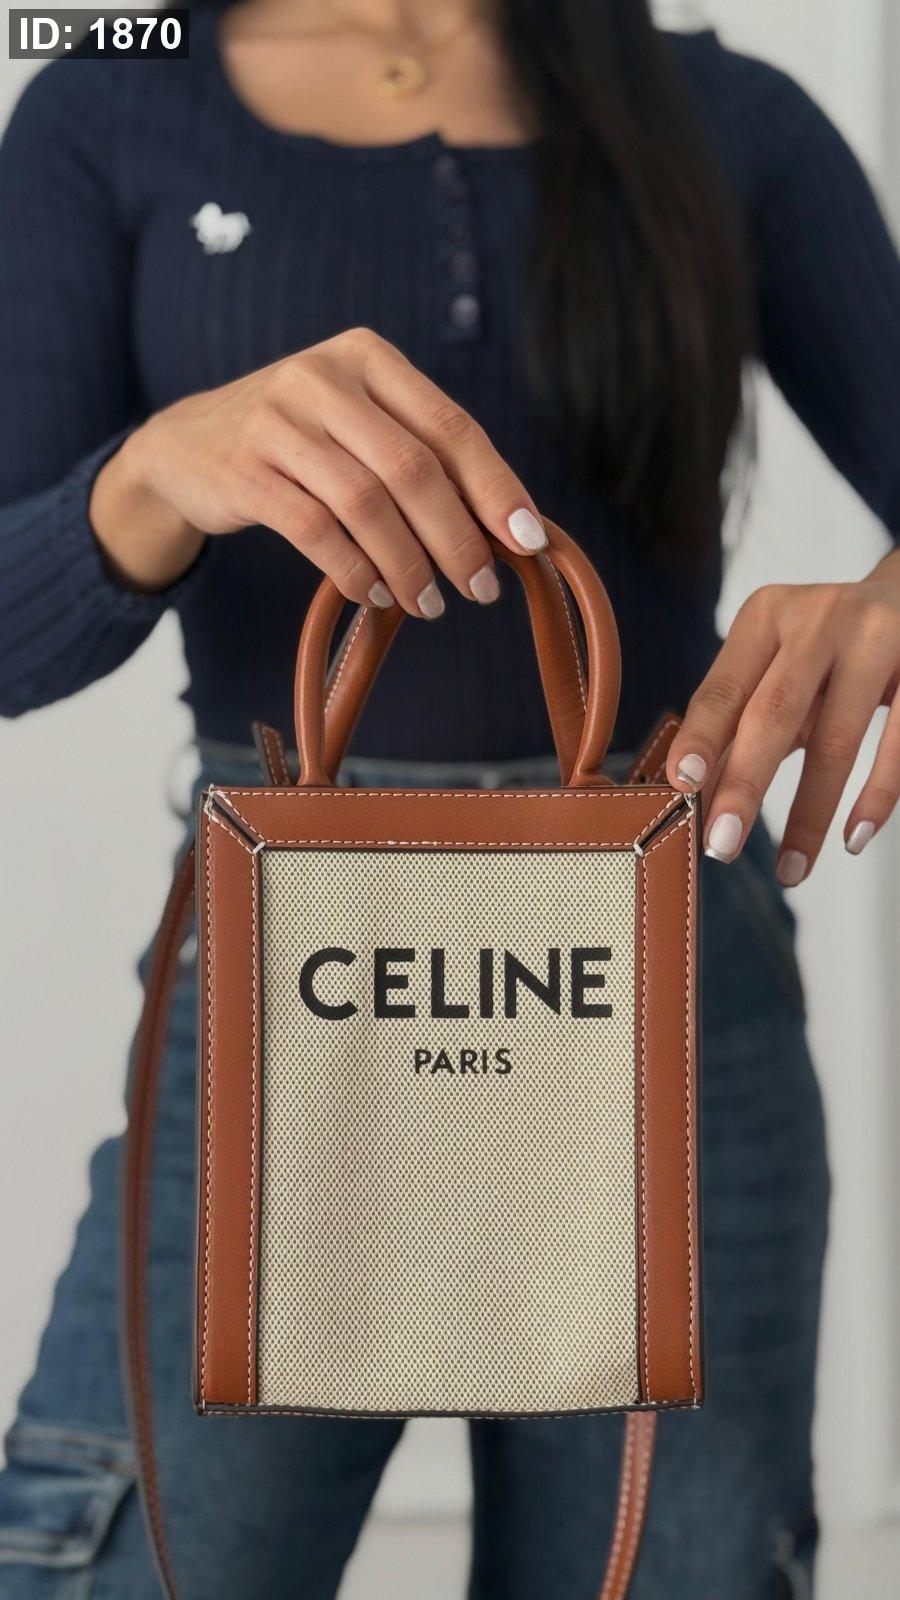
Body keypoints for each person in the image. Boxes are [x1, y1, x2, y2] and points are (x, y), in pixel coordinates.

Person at [0, 2, 898, 1595]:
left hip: (661, 972)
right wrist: (148, 475)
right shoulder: (111, 97)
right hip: (293, 969)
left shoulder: (724, 115)